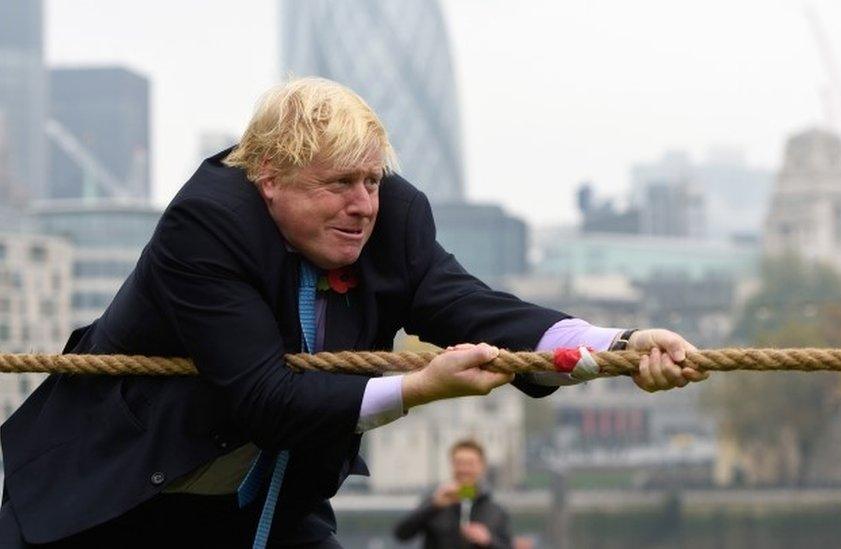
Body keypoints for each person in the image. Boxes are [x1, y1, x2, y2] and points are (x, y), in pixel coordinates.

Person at [0, 78, 705, 548]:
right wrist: (420, 387)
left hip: (273, 508)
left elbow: (477, 308)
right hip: (116, 498)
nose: (362, 204)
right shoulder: (206, 224)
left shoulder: (394, 217)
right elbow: (264, 398)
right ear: (267, 178)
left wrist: (620, 343)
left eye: (370, 180)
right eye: (338, 183)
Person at [393, 438, 512, 549]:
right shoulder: (436, 502)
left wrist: (488, 540)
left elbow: (507, 546)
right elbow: (401, 534)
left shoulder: (495, 510)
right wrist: (433, 506)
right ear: (452, 465)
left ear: (482, 466)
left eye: (470, 463)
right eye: (459, 463)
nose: (464, 469)